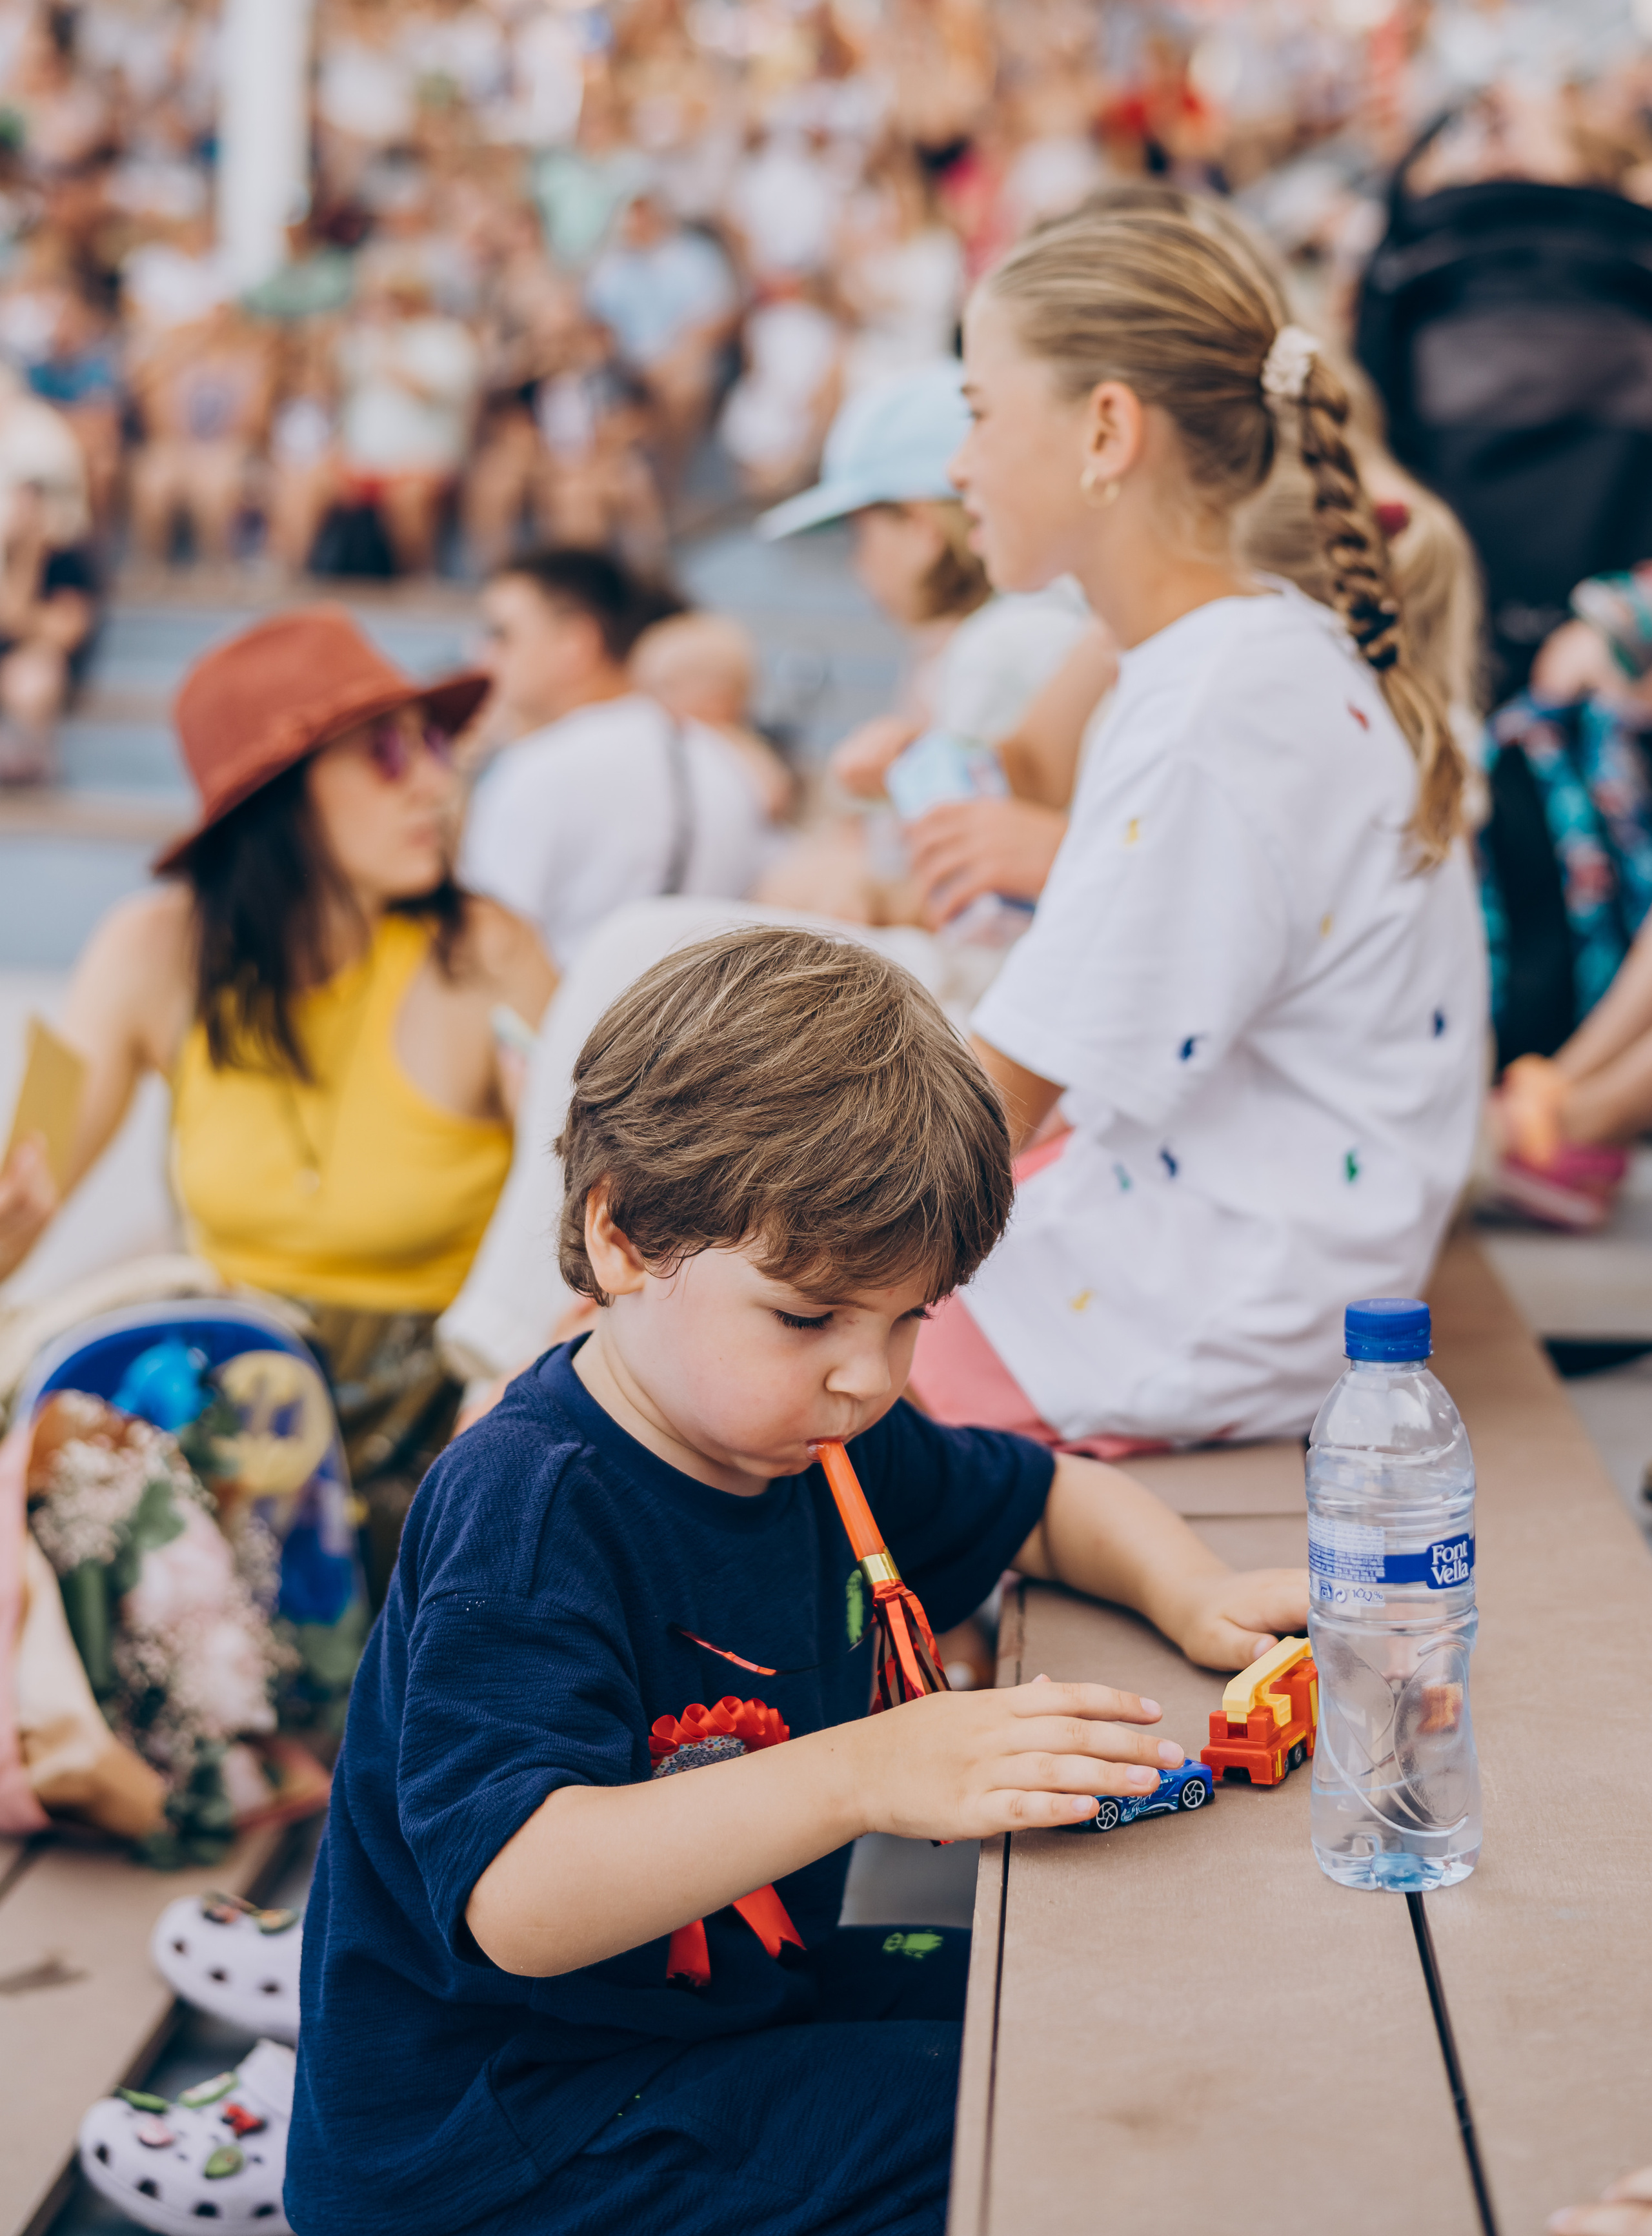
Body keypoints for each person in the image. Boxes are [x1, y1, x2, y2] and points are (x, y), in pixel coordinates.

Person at [286, 924, 1308, 2236]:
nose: (869, 1374)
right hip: (500, 2143)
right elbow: (521, 1899)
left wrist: (1187, 1589)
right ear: (622, 1237)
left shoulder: (817, 1434)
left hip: (719, 2025)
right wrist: (871, 1767)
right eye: (808, 1314)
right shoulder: (530, 1510)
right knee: (1037, 2101)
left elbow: (1046, 1501)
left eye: (909, 1319)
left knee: (1077, 2005)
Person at [905, 201, 1485, 1450]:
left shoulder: (1213, 708)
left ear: (1107, 430)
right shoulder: (1235, 654)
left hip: (1215, 1299)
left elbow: (990, 1115)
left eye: (979, 413)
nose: (958, 465)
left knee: (730, 1353)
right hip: (1264, 1251)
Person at [0, 606, 556, 1594]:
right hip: (232, 1412)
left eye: (434, 742)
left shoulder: (484, 955)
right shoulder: (155, 948)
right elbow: (21, 1184)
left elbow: (593, 1231)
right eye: (387, 754)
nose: (438, 779)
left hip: (447, 1430)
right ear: (276, 799)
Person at [752, 360, 1092, 926]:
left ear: (921, 528)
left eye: (861, 534)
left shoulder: (999, 649)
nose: (859, 565)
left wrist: (866, 897)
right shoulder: (980, 641)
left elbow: (980, 897)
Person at [459, 547, 774, 968]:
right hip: (693, 1023)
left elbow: (478, 955)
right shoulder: (725, 764)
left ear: (575, 644)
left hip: (562, 1025)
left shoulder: (541, 768)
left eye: (501, 635)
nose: (479, 655)